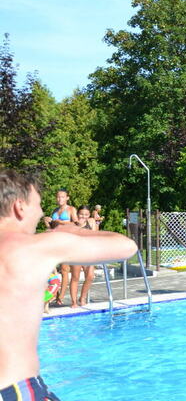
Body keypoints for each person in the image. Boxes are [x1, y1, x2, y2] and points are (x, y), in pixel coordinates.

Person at [0, 169, 136, 400]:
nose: (41, 213)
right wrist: (75, 230)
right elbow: (126, 246)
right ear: (19, 206)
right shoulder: (34, 247)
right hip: (15, 389)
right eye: (38, 204)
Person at [44, 189, 78, 306]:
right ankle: (55, 294)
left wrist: (61, 222)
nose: (60, 199)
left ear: (67, 198)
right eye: (58, 197)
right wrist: (47, 221)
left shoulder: (71, 209)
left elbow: (76, 224)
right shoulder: (55, 210)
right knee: (53, 268)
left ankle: (61, 296)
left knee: (64, 269)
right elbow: (52, 227)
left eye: (62, 197)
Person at [69, 206, 98, 307]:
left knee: (90, 276)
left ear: (89, 215)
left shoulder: (91, 222)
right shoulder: (72, 225)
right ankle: (74, 302)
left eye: (86, 214)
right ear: (77, 214)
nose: (83, 216)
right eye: (81, 214)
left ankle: (82, 297)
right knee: (75, 277)